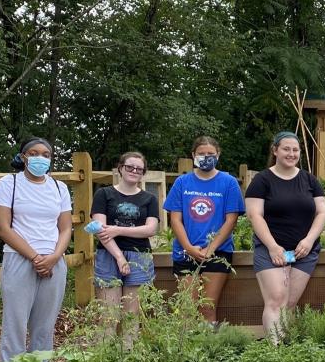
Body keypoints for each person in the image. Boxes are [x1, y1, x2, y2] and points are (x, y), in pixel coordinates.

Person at [0, 138, 73, 362]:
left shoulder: (59, 187)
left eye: (46, 155)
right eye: (34, 153)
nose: (40, 158)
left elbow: (66, 228)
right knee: (14, 325)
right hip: (19, 258)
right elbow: (2, 228)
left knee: (45, 328)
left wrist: (54, 257)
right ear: (23, 157)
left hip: (54, 261)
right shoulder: (9, 183)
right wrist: (36, 258)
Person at [245, 132, 325, 342]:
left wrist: (309, 240)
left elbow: (322, 212)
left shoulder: (310, 180)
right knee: (276, 301)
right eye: (286, 149)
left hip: (303, 251)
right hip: (271, 249)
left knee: (289, 304)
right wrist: (273, 246)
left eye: (295, 150)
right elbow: (255, 215)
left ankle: (286, 349)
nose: (291, 154)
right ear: (275, 151)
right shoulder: (262, 180)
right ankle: (275, 353)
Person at [163, 136, 245, 323]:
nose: (206, 157)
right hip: (185, 252)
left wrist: (211, 248)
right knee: (187, 307)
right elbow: (175, 219)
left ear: (218, 155)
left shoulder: (229, 182)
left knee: (207, 306)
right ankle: (187, 350)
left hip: (217, 253)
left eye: (211, 154)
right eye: (201, 154)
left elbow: (231, 220)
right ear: (193, 155)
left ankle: (209, 349)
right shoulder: (182, 183)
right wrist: (189, 248)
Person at [91, 151, 159, 317]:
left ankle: (129, 345)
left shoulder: (150, 199)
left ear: (143, 173)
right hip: (108, 254)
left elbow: (150, 229)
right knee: (108, 314)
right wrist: (119, 257)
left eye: (139, 169)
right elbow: (100, 229)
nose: (134, 171)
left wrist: (118, 229)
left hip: (139, 256)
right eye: (130, 167)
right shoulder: (104, 194)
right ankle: (105, 344)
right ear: (120, 168)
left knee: (132, 315)